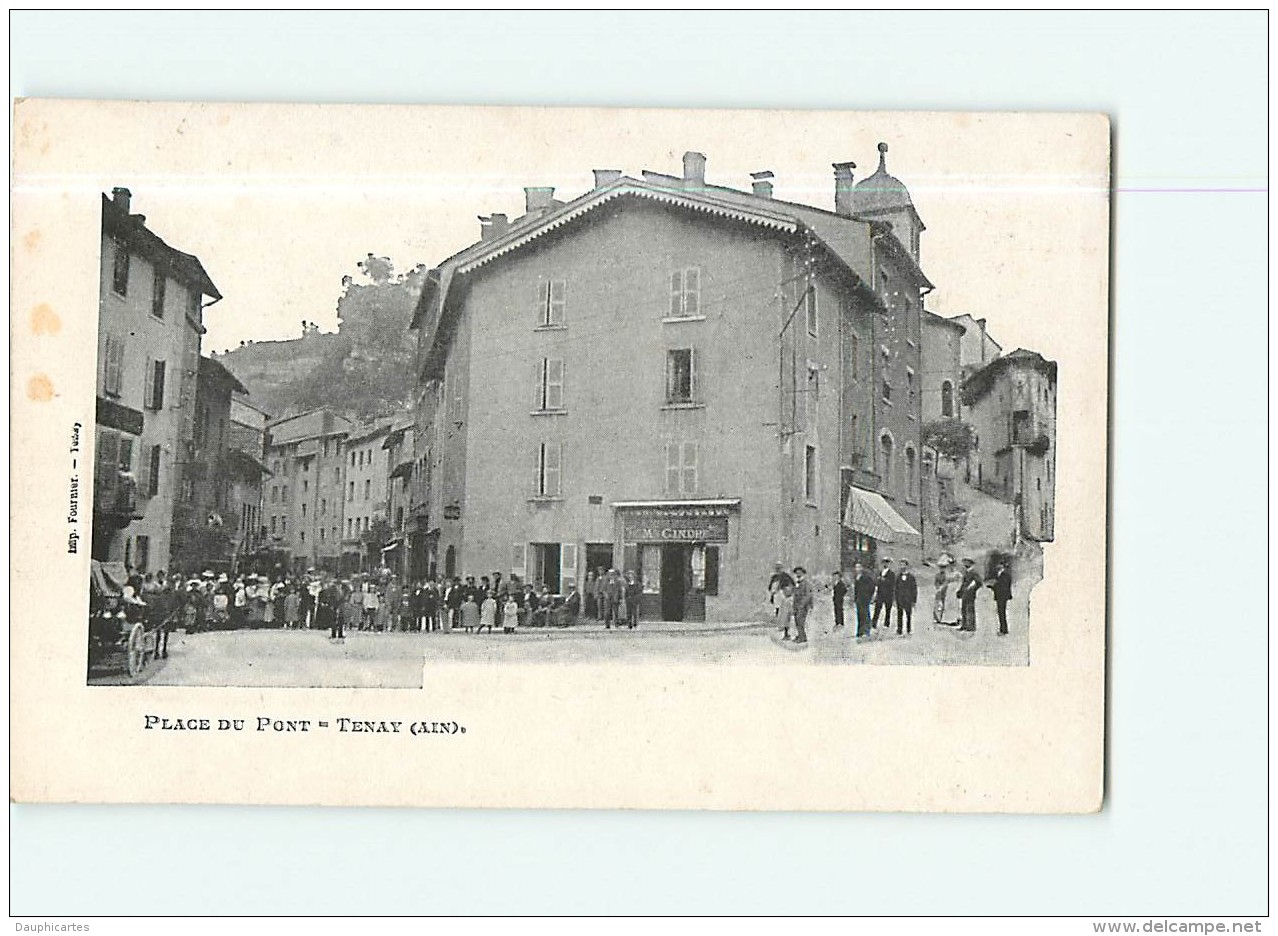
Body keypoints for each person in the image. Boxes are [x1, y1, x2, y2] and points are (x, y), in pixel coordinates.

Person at [852, 561, 876, 638]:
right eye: (856, 567)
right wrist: (855, 599)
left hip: (865, 599)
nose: (857, 569)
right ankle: (859, 631)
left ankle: (866, 631)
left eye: (859, 567)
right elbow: (856, 590)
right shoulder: (856, 577)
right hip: (858, 600)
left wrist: (868, 596)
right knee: (860, 615)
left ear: (862, 568)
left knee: (865, 614)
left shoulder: (866, 577)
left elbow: (872, 586)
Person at [894, 559, 918, 635]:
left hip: (908, 598)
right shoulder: (898, 577)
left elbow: (914, 589)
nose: (902, 567)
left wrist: (914, 600)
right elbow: (895, 588)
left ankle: (908, 629)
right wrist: (895, 599)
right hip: (900, 598)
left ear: (907, 566)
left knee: (908, 614)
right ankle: (899, 630)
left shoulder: (911, 577)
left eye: (904, 565)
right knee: (899, 614)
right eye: (901, 565)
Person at [957, 558, 981, 633]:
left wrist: (972, 589)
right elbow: (963, 584)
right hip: (964, 593)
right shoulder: (966, 573)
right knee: (963, 609)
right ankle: (964, 625)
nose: (965, 565)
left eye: (967, 563)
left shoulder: (974, 573)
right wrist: (960, 591)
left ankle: (970, 626)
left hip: (970, 594)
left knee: (969, 609)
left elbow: (978, 583)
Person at [791, 566, 813, 645]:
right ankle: (800, 635)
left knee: (800, 621)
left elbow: (808, 595)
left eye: (799, 572)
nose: (798, 574)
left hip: (803, 606)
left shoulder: (806, 583)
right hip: (797, 605)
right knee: (797, 621)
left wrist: (802, 604)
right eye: (796, 573)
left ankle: (802, 637)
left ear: (803, 573)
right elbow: (795, 595)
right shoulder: (797, 583)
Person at [871, 558, 895, 631]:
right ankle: (874, 623)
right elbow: (877, 583)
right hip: (880, 593)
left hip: (888, 594)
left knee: (888, 609)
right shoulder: (880, 572)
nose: (885, 564)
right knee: (877, 608)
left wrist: (884, 580)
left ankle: (886, 624)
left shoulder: (891, 574)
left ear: (889, 564)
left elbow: (892, 584)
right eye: (884, 563)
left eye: (887, 563)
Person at [990, 560, 1013, 636]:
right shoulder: (1002, 574)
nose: (997, 567)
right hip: (1001, 596)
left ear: (1002, 566)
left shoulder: (1005, 575)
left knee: (1001, 613)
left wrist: (993, 586)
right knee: (1001, 612)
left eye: (999, 565)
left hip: (1002, 596)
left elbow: (1002, 586)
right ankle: (1003, 629)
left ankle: (1003, 630)